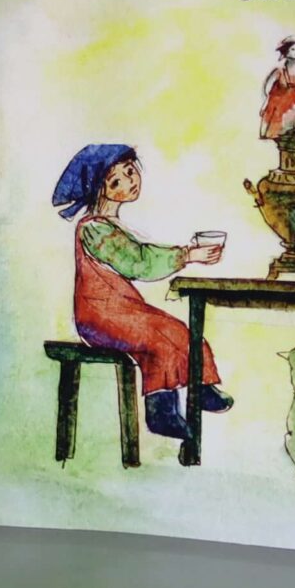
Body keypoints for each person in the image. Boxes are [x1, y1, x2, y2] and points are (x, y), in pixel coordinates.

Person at [53, 144, 229, 442]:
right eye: (116, 181)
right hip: (100, 317)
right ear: (99, 190)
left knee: (180, 332)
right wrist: (187, 255)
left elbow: (138, 256)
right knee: (160, 338)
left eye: (130, 171)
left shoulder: (109, 226)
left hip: (124, 311)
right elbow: (138, 262)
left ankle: (201, 387)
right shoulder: (94, 229)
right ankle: (161, 412)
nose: (130, 181)